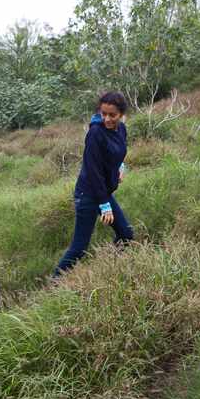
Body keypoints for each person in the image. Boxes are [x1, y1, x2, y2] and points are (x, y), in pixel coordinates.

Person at [53, 92, 134, 276]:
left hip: (102, 192)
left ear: (121, 114)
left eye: (112, 115)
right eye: (103, 113)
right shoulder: (95, 133)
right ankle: (54, 283)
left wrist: (120, 166)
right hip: (89, 194)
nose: (106, 119)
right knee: (79, 248)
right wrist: (105, 205)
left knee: (126, 234)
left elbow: (118, 152)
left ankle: (110, 269)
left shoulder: (121, 129)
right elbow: (93, 170)